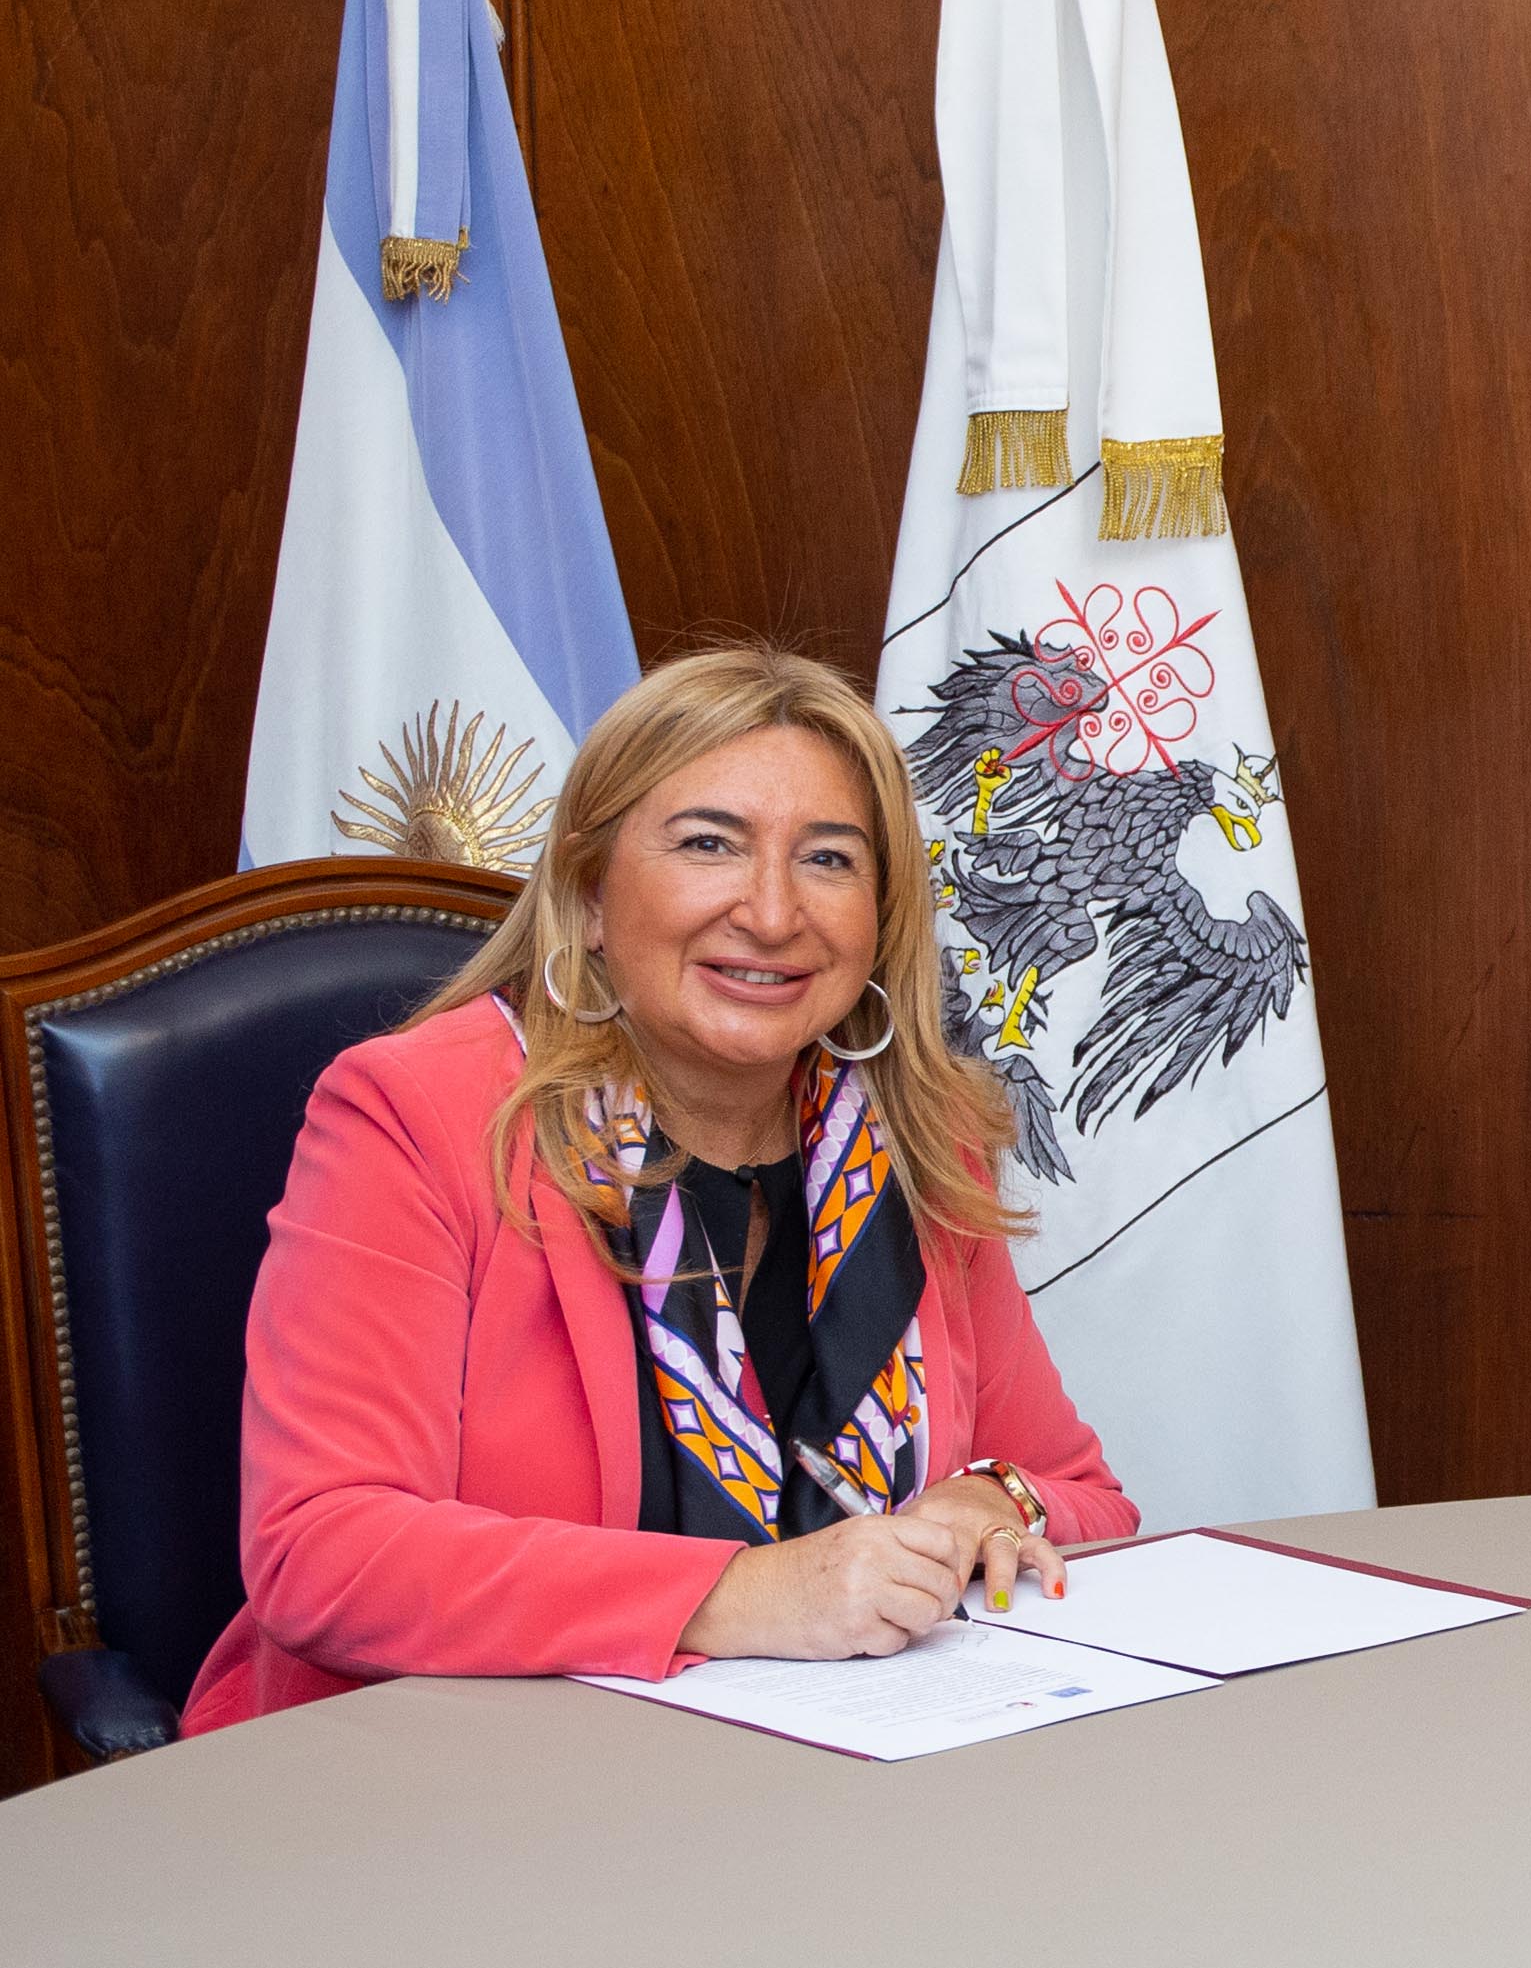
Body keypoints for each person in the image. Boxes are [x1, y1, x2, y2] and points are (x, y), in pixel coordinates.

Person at [185, 647, 1138, 1730]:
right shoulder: (416, 1115)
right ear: (590, 894)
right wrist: (745, 1593)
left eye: (828, 859)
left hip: (836, 1766)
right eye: (708, 844)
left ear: (881, 914)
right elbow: (323, 1551)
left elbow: (1086, 1494)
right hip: (451, 1768)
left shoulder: (921, 1140)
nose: (772, 913)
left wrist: (986, 1501)